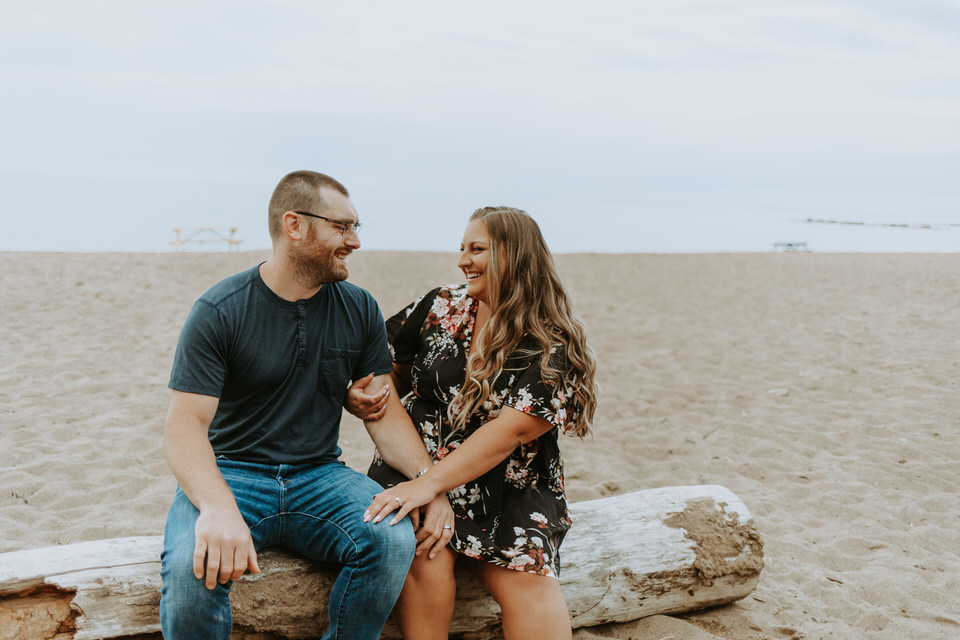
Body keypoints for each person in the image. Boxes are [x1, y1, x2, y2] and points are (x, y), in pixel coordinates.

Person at [159, 170, 454, 640]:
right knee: (190, 569)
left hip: (319, 475)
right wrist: (216, 507)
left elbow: (385, 413)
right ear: (294, 225)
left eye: (357, 227)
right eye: (342, 227)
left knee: (390, 540)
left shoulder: (358, 307)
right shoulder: (221, 310)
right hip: (234, 472)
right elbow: (184, 427)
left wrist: (428, 484)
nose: (354, 241)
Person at [349, 206, 599, 640]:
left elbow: (511, 432)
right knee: (425, 551)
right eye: (462, 248)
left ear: (515, 256)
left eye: (476, 249)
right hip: (416, 459)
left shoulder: (551, 342)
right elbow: (386, 362)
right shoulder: (440, 306)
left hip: (507, 481)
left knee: (527, 578)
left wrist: (432, 485)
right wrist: (367, 391)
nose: (463, 260)